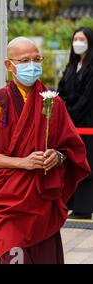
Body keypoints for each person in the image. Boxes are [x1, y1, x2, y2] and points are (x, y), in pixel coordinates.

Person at [0, 37, 91, 264]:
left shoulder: (52, 101)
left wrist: (57, 157)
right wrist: (23, 163)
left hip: (40, 202)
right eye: (25, 60)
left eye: (36, 59)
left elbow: (70, 147)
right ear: (9, 65)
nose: (32, 65)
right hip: (8, 204)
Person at [58, 27, 93, 220]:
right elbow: (61, 90)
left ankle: (84, 206)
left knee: (87, 164)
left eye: (82, 39)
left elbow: (87, 99)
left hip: (86, 123)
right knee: (71, 163)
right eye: (75, 39)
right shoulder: (71, 66)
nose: (77, 43)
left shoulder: (91, 67)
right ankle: (71, 203)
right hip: (71, 125)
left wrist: (69, 111)